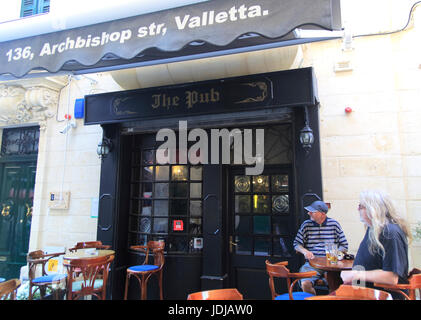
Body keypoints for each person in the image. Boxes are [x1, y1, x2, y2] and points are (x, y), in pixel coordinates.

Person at [340, 190, 412, 299]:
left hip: (381, 296)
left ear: (373, 209)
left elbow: (391, 277)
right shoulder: (374, 229)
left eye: (361, 206)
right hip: (363, 292)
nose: (357, 209)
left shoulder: (389, 232)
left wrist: (355, 275)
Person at [293, 200, 348, 295]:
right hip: (313, 264)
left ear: (322, 214)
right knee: (305, 283)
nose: (308, 213)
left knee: (334, 285)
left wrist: (336, 254)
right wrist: (305, 251)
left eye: (312, 211)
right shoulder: (306, 225)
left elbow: (344, 245)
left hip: (331, 264)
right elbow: (297, 244)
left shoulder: (334, 224)